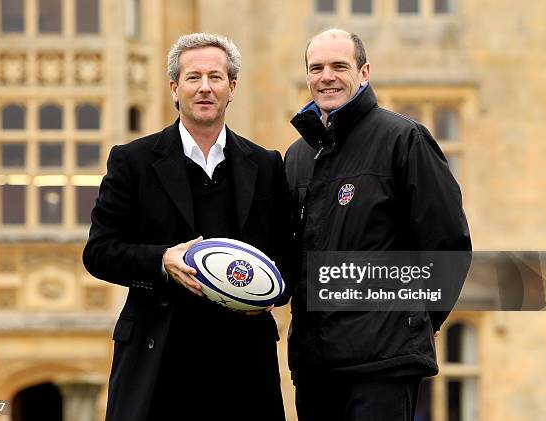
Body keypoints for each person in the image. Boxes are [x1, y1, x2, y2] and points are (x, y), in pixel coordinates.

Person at [83, 33, 290, 421]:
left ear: (232, 88)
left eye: (216, 77)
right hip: (159, 357)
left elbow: (288, 258)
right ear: (175, 89)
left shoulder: (265, 165)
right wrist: (162, 259)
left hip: (243, 363)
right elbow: (98, 252)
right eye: (193, 78)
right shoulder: (133, 161)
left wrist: (269, 295)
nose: (205, 88)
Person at [284, 29, 472, 420]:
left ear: (364, 72)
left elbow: (448, 242)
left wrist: (415, 319)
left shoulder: (403, 138)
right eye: (316, 68)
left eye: (340, 66)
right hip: (316, 366)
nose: (327, 76)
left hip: (383, 364)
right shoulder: (298, 156)